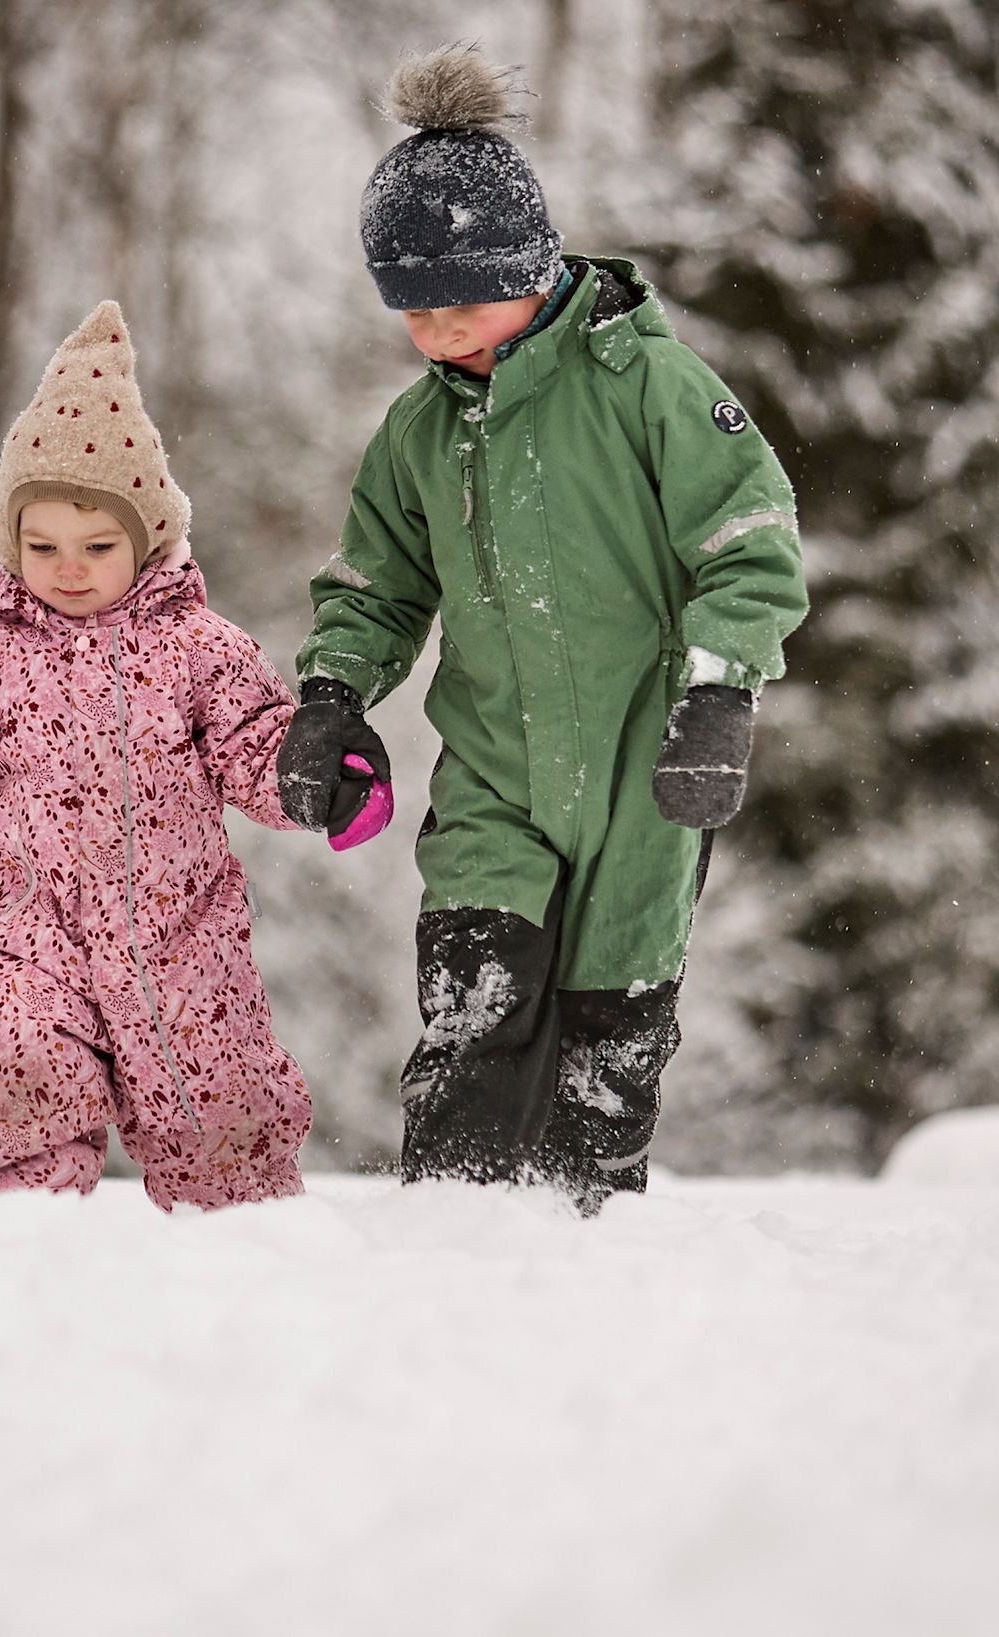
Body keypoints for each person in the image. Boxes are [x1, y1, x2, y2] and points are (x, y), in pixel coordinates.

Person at [277, 45, 809, 1212]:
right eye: (410, 308)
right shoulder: (418, 435)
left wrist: (720, 689)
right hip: (498, 771)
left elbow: (749, 535)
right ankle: (453, 1226)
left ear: (527, 263)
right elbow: (372, 585)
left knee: (609, 1026)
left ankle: (585, 1237)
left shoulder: (650, 388)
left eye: (458, 301)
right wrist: (331, 693)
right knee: (477, 991)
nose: (433, 329)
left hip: (641, 762)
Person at [0, 302, 313, 1211]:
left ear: (147, 540)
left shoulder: (199, 647)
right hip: (30, 933)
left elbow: (255, 745)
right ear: (10, 540)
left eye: (96, 546)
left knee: (223, 1109)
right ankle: (15, 1255)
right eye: (41, 546)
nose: (67, 568)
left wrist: (318, 784)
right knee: (12, 1078)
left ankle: (242, 1264)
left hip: (183, 933)